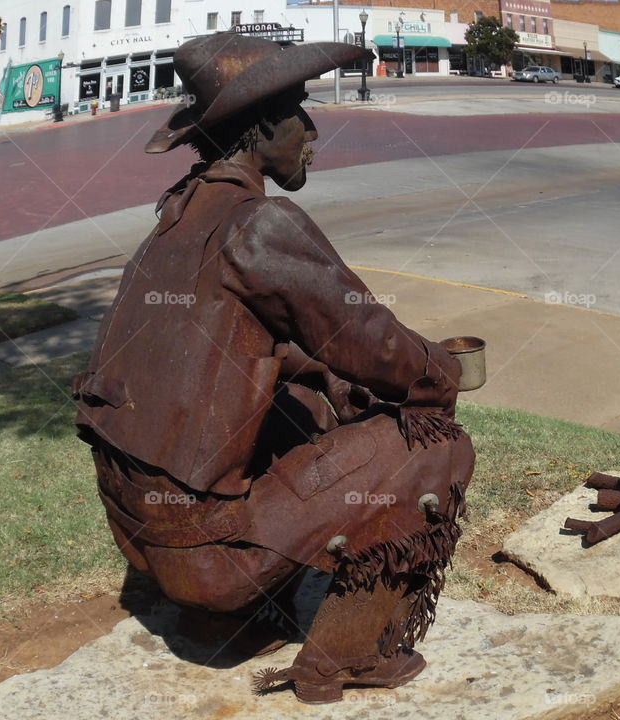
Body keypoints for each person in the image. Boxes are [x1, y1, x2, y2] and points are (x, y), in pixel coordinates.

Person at [73, 34, 475, 704]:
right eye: (300, 113)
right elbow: (377, 344)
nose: (313, 131)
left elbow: (212, 343)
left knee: (316, 404)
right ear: (263, 128)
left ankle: (230, 602)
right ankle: (341, 661)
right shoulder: (261, 224)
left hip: (145, 539)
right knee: (437, 445)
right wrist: (443, 375)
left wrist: (322, 374)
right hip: (209, 555)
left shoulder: (178, 214)